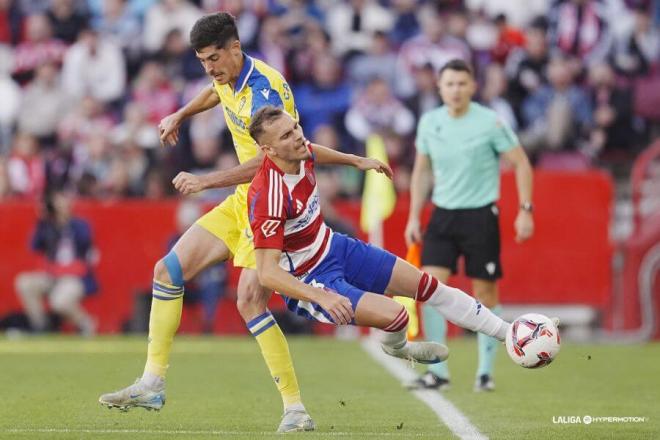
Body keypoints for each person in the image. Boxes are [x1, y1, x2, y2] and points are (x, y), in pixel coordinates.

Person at [100, 12, 343, 433]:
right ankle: (152, 383)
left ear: (235, 48)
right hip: (242, 200)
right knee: (167, 270)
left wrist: (205, 181)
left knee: (249, 302)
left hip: (271, 203)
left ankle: (295, 408)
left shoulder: (265, 91)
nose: (210, 69)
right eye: (202, 62)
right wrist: (179, 115)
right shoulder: (230, 77)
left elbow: (273, 157)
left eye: (214, 58)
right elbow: (216, 93)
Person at [246, 106, 510, 373]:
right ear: (269, 151)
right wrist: (320, 297)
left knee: (430, 287)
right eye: (285, 136)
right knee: (397, 316)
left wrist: (356, 160)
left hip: (334, 246)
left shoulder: (299, 151)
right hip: (309, 278)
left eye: (296, 127)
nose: (297, 136)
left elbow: (314, 150)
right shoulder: (269, 197)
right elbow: (267, 273)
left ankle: (509, 335)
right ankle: (399, 348)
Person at [404, 59, 534, 392]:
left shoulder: (490, 122)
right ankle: (438, 373)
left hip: (480, 215)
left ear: (473, 87)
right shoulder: (429, 122)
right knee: (431, 289)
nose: (456, 89)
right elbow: (421, 172)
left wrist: (525, 209)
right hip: (442, 214)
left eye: (462, 83)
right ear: (440, 87)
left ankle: (485, 373)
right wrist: (414, 216)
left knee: (485, 292)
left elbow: (521, 163)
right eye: (450, 84)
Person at [15, 189, 98, 335]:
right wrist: (42, 219)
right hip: (53, 274)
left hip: (75, 277)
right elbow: (34, 246)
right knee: (24, 283)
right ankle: (41, 327)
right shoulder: (48, 225)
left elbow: (86, 241)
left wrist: (66, 221)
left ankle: (86, 323)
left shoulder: (79, 225)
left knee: (58, 301)